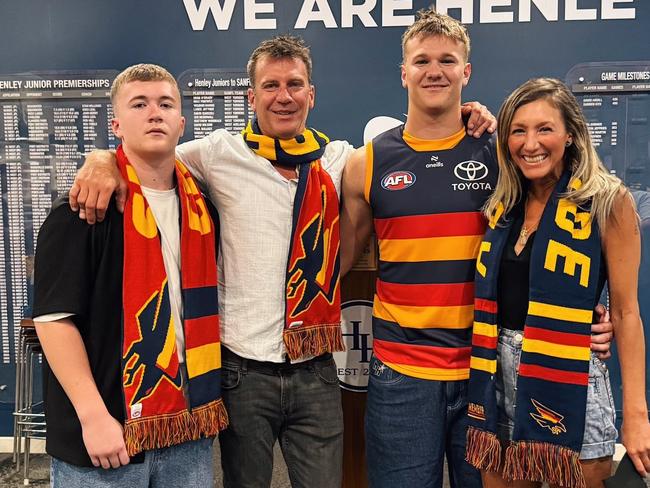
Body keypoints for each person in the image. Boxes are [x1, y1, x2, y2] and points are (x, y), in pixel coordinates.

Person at [67, 35, 496, 488]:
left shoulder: (340, 160)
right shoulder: (216, 154)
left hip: (316, 369)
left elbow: (423, 146)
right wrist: (100, 160)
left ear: (311, 94)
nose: (284, 96)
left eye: (295, 84)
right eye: (271, 86)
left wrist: (470, 114)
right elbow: (148, 157)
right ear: (252, 96)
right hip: (242, 372)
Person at [340, 9, 613, 488]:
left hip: (486, 371)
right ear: (403, 72)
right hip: (401, 374)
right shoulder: (366, 163)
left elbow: (562, 230)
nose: (435, 70)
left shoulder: (504, 155)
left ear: (466, 71)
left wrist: (593, 311)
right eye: (421, 60)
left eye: (448, 60)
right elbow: (337, 261)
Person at [32, 64, 227, 487]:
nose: (154, 113)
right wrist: (92, 415)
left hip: (187, 428)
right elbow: (54, 321)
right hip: (106, 435)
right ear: (116, 124)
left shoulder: (204, 214)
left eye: (165, 104)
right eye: (139, 104)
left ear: (182, 122)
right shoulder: (82, 211)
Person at [465, 77, 650, 488]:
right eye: (518, 130)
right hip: (495, 373)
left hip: (568, 375)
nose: (530, 143)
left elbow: (625, 311)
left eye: (544, 128)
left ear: (570, 135)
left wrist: (637, 414)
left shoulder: (607, 200)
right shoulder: (503, 205)